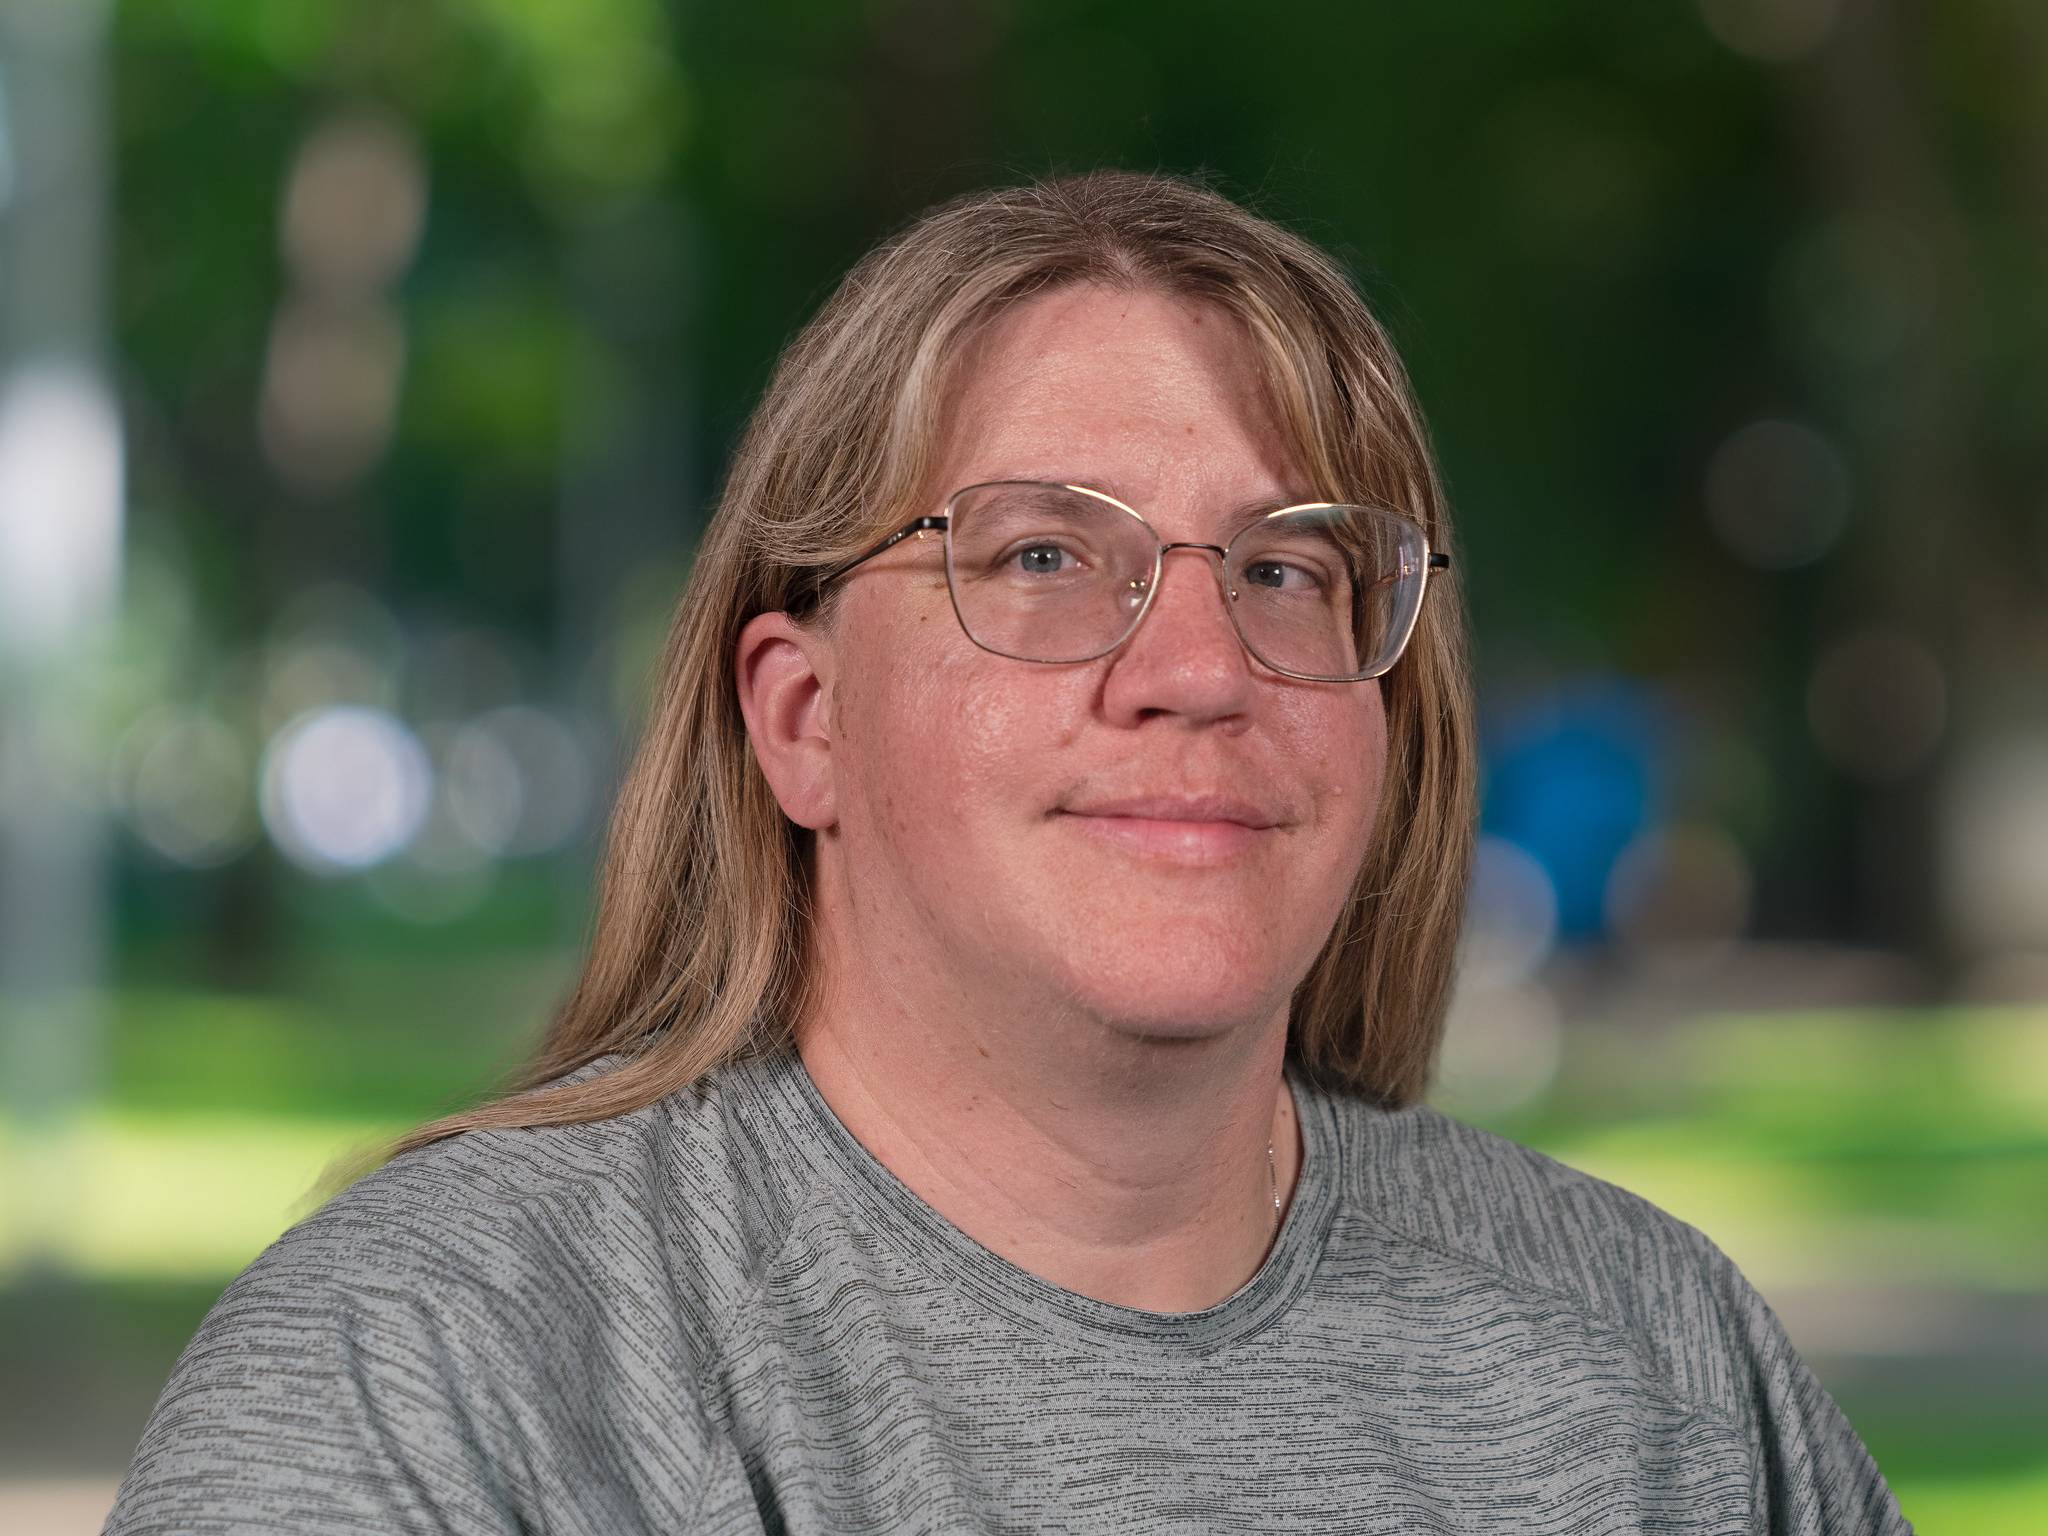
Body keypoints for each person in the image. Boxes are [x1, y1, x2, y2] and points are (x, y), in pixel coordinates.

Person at [102, 169, 1911, 1535]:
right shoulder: (438, 1374)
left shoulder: (1658, 1371)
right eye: (1043, 556)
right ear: (799, 717)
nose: (1201, 672)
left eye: (1288, 569)